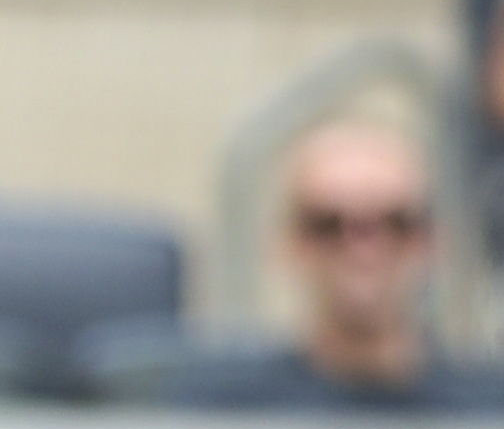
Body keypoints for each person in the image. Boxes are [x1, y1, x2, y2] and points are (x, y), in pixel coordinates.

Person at [164, 122, 504, 412]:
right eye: (329, 225)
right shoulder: (220, 413)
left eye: (395, 222)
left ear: (431, 240)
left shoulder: (488, 414)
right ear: (288, 243)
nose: (364, 251)